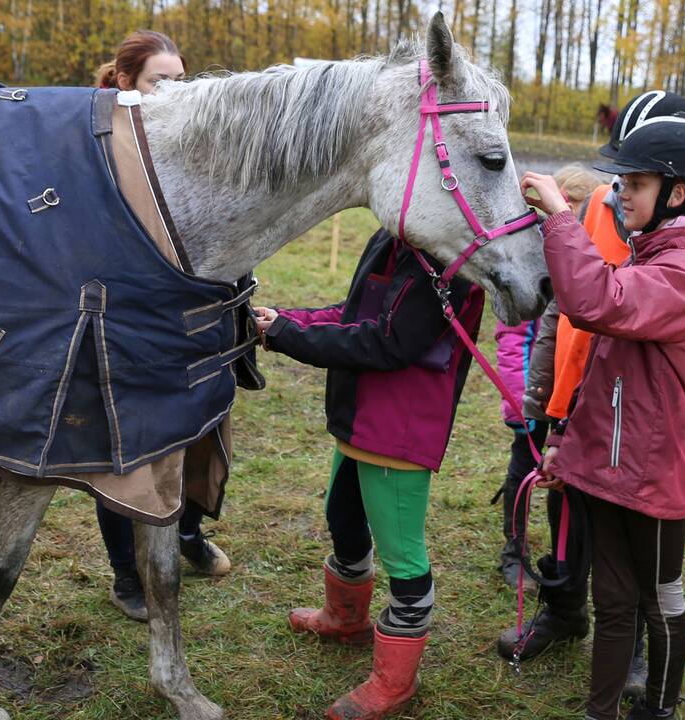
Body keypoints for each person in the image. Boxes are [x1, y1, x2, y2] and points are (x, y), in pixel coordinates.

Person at [520, 119, 685, 719]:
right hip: (609, 460)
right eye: (620, 183)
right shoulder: (652, 254)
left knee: (659, 601)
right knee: (614, 602)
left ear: (678, 194)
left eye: (634, 183)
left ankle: (656, 712)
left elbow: (593, 304)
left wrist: (561, 215)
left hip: (655, 472)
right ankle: (600, 713)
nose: (620, 195)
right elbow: (603, 366)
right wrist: (565, 439)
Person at [253, 228, 484, 720]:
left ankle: (395, 681)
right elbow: (354, 312)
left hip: (397, 430)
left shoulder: (449, 263)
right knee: (343, 516)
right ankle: (345, 618)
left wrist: (286, 334)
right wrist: (286, 319)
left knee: (404, 558)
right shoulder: (392, 239)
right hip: (359, 416)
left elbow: (388, 342)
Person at [93, 30, 229, 623]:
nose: (173, 93)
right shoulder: (97, 144)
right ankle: (127, 572)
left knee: (199, 436)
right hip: (126, 320)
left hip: (194, 317)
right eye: (159, 82)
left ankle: (186, 535)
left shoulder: (194, 143)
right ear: (126, 82)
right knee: (126, 453)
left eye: (180, 81)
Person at [494, 165, 600, 593]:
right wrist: (522, 401)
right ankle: (513, 550)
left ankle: (562, 557)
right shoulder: (539, 264)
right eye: (568, 208)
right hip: (534, 402)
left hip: (570, 406)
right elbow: (512, 338)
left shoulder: (592, 263)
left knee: (565, 483)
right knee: (523, 470)